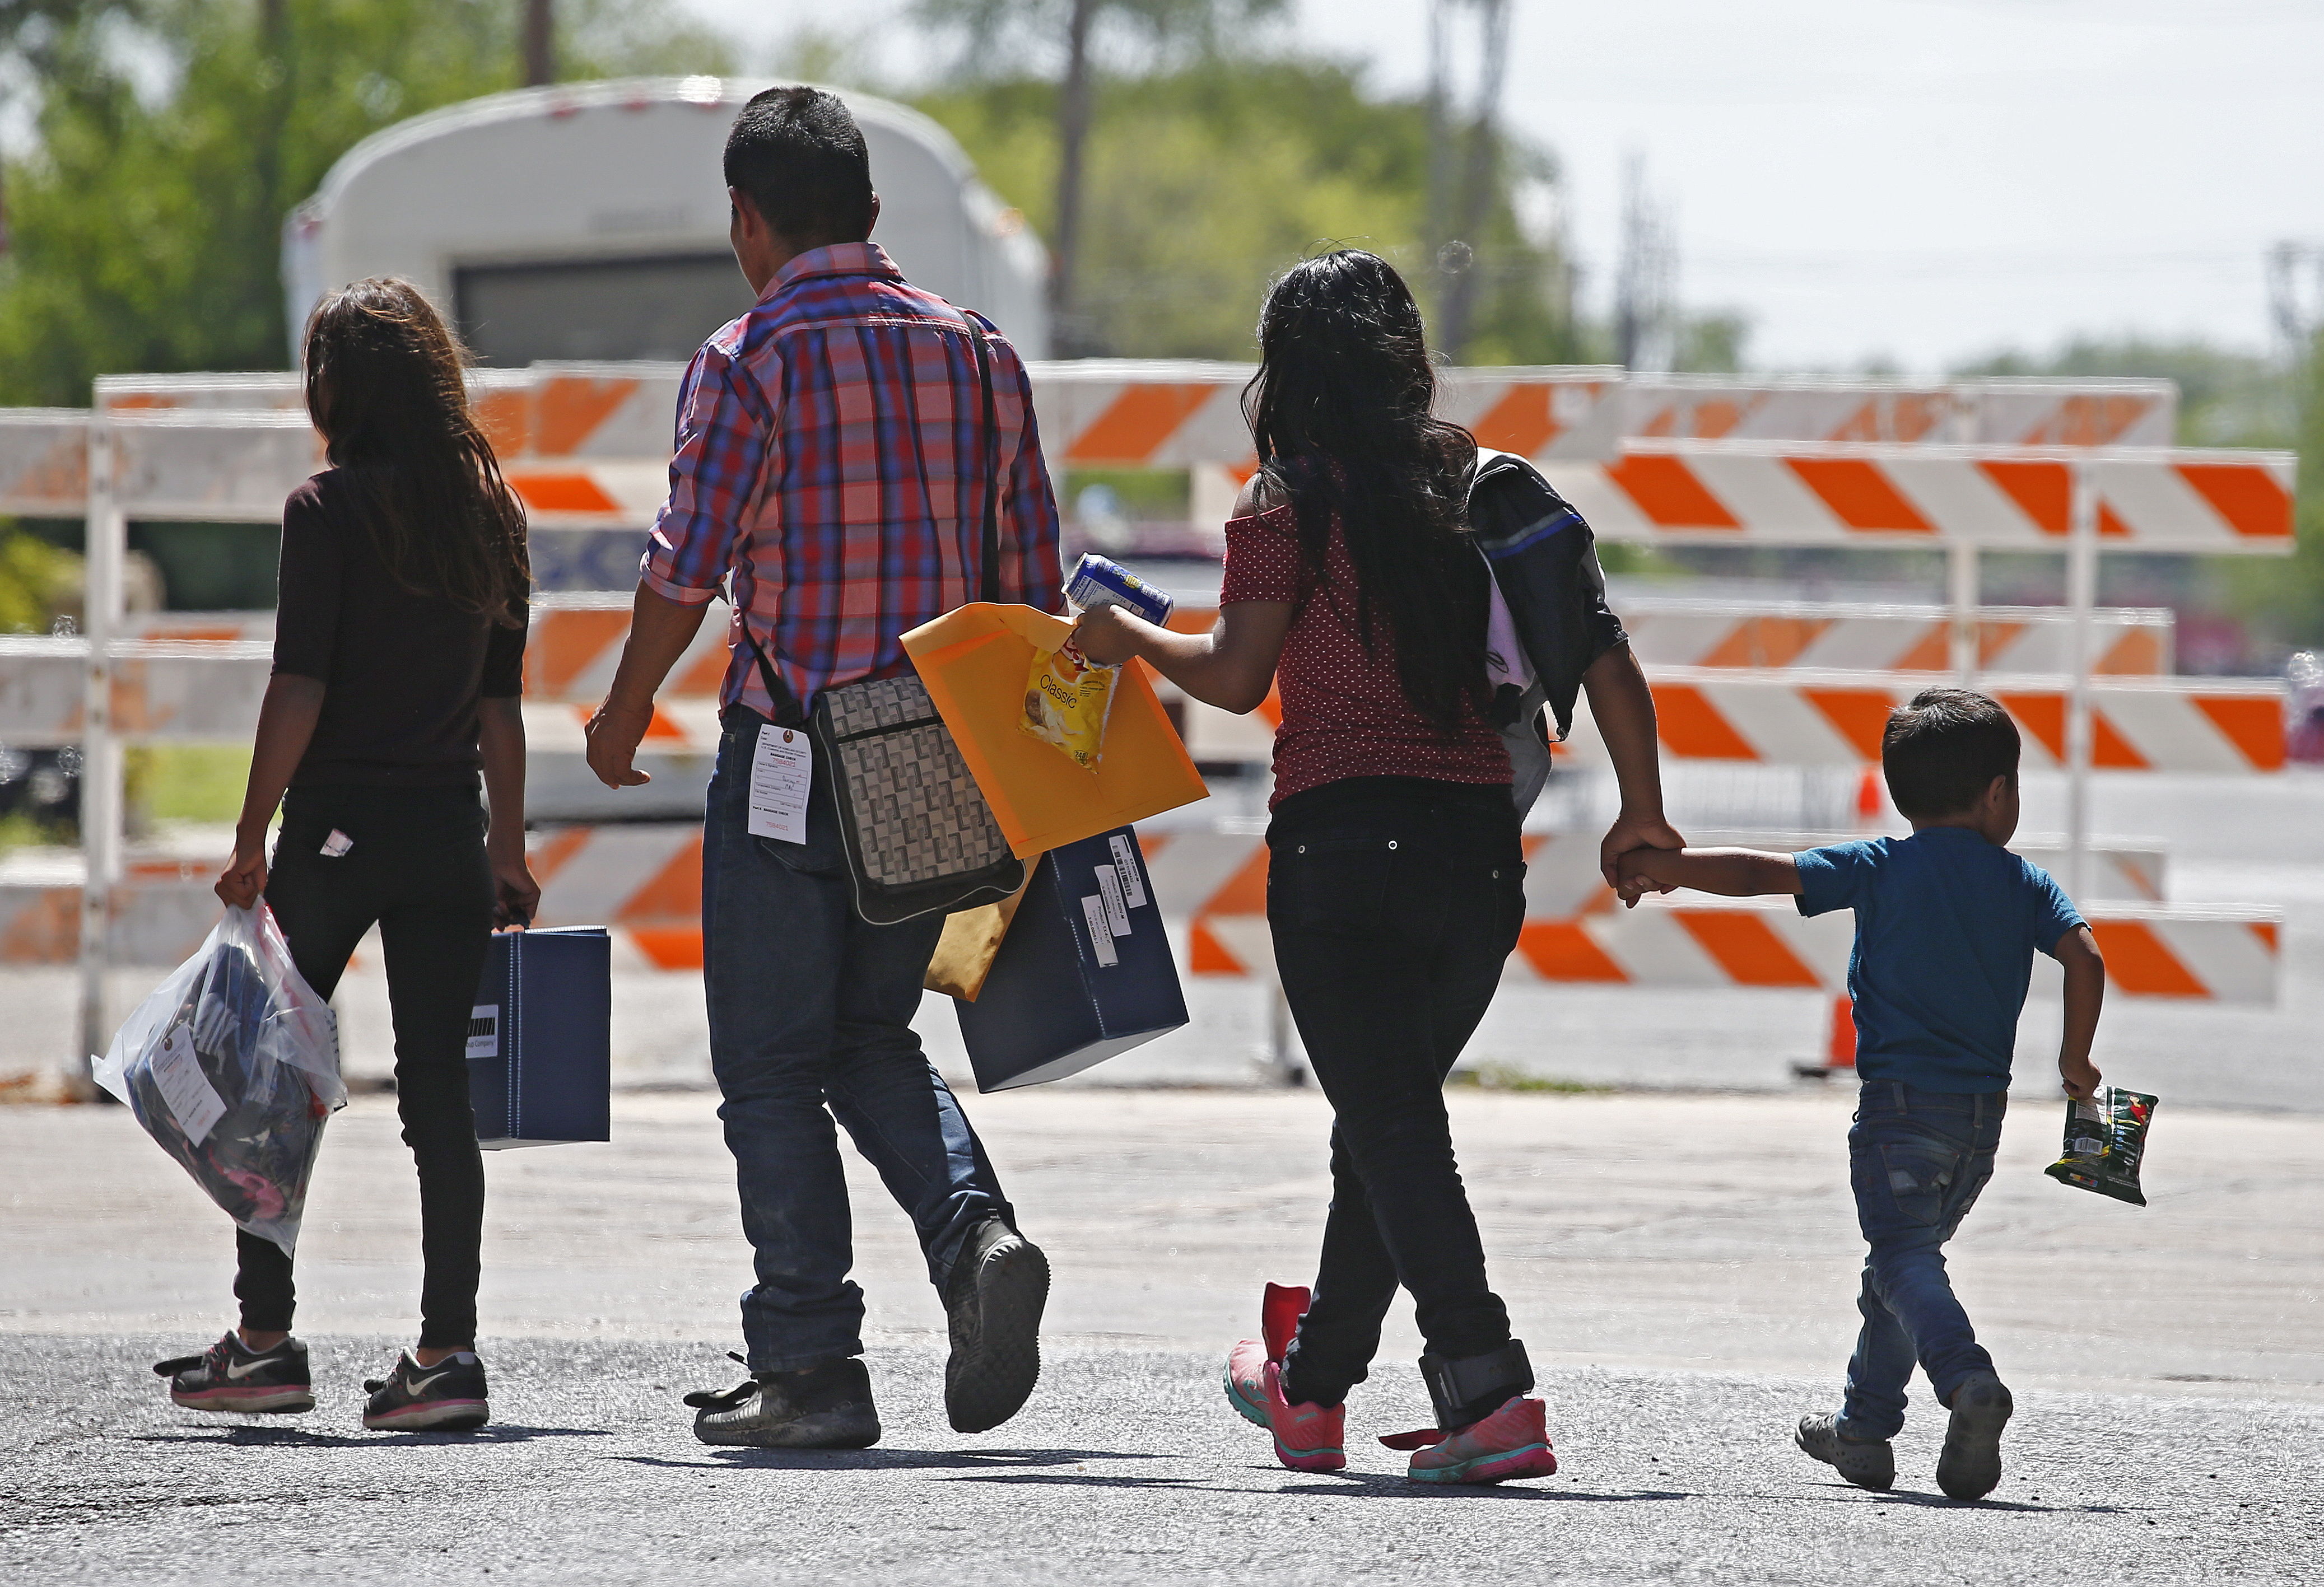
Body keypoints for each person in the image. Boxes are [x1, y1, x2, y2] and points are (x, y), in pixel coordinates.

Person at [1074, 249, 1682, 1485]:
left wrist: (1124, 634)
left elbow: (1239, 678)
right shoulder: (1483, 492)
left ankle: (1488, 1383)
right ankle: (1312, 1390)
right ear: (1409, 362)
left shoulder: (1282, 502)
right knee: (1383, 1124)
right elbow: (1609, 663)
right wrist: (1643, 816)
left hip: (1341, 851)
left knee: (1393, 1121)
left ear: (1286, 374)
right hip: (1474, 859)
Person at [583, 86, 1061, 1450]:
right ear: (870, 210)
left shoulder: (748, 358)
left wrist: (622, 713)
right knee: (868, 1031)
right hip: (940, 759)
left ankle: (808, 1362)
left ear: (748, 217)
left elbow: (686, 566)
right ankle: (977, 1242)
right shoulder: (979, 357)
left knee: (772, 1067)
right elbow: (1027, 585)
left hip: (795, 753)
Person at [159, 277, 539, 1432]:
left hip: (331, 832)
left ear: (341, 389)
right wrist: (508, 852)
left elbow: (300, 686)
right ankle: (447, 1354)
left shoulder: (324, 512)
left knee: (271, 1074)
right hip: (444, 837)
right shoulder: (491, 513)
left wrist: (247, 833)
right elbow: (499, 711)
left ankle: (265, 1343)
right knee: (440, 1101)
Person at [1613, 687, 2106, 1502]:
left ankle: (1966, 1377)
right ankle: (1865, 1432)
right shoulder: (2026, 884)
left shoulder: (1882, 864)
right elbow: (2085, 959)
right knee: (1900, 1267)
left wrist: (1663, 867)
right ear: (1997, 794)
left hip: (1897, 1112)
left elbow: (1758, 872)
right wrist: (2077, 1062)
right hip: (1982, 1121)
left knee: (1902, 1257)